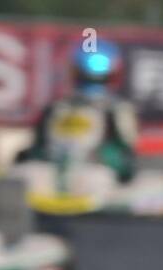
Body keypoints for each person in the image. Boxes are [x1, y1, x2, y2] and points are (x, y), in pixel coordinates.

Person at [17, 39, 138, 183]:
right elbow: (36, 148)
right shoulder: (57, 108)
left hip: (96, 172)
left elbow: (125, 155)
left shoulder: (114, 111)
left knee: (97, 177)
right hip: (53, 170)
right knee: (28, 173)